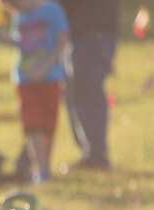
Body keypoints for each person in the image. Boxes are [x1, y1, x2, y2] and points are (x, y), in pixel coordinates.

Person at [2, 0, 70, 184]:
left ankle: (43, 167)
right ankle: (41, 169)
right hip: (25, 78)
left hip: (51, 77)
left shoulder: (52, 10)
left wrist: (45, 66)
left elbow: (62, 38)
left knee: (48, 125)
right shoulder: (19, 16)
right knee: (32, 124)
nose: (16, 8)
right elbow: (20, 43)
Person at [60, 0, 118, 169]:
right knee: (77, 91)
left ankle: (96, 155)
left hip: (92, 31)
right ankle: (91, 153)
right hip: (81, 31)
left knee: (87, 90)